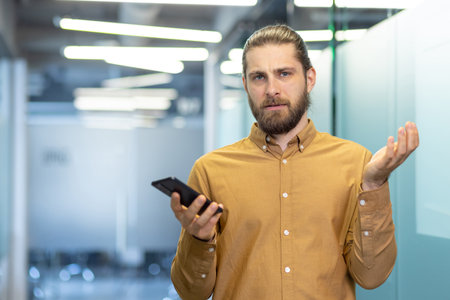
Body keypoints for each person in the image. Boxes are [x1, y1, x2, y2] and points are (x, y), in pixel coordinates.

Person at [169, 24, 419, 300]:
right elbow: (191, 292)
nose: (272, 89)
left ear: (310, 78)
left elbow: (372, 277)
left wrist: (373, 184)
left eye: (284, 74)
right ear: (245, 85)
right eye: (259, 77)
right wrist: (199, 239)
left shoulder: (355, 162)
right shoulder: (210, 170)